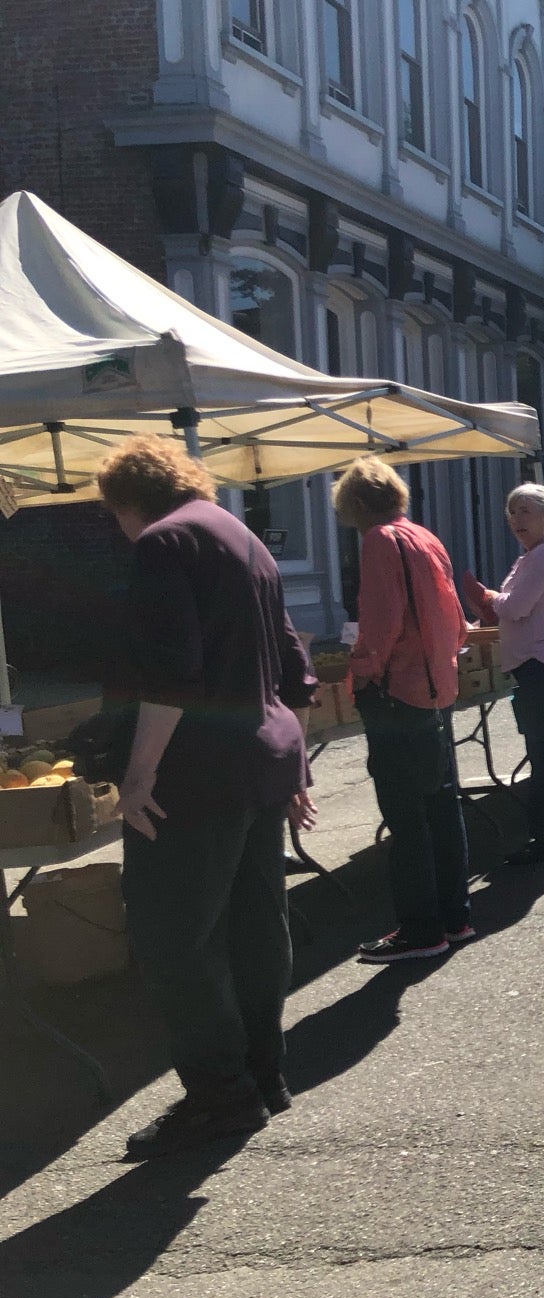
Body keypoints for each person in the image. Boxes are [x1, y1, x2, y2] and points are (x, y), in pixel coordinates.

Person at [96, 435, 316, 1158]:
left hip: (197, 776)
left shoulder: (162, 543)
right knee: (257, 924)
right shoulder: (243, 537)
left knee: (172, 938)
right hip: (262, 758)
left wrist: (137, 777)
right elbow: (293, 662)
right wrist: (297, 766)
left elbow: (171, 676)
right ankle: (263, 1074)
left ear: (126, 500)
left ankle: (220, 1095)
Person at [333, 457, 473, 964]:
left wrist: (358, 670)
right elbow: (457, 622)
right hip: (438, 689)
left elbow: (380, 623)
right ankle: (454, 917)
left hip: (398, 694)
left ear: (355, 504)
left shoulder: (379, 541)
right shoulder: (427, 538)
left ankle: (420, 929)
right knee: (440, 805)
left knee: (406, 816)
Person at [462, 485, 544, 865]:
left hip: (541, 663)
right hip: (541, 662)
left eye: (524, 510)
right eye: (511, 511)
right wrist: (496, 601)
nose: (515, 519)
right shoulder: (536, 556)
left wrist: (485, 596)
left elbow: (515, 607)